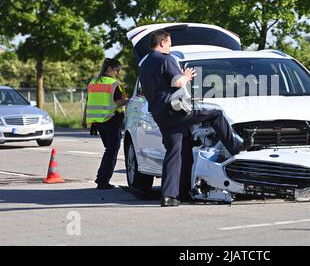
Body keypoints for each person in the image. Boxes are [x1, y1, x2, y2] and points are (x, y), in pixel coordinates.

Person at [139, 30, 253, 207]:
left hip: (159, 114)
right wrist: (186, 76)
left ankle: (169, 196)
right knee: (216, 113)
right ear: (162, 43)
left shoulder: (145, 64)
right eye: (169, 43)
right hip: (175, 111)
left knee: (173, 152)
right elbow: (177, 82)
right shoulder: (166, 59)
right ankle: (235, 145)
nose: (170, 46)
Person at [82, 58, 128, 190]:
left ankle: (102, 179)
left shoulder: (93, 82)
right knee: (112, 150)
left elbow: (88, 102)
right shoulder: (114, 84)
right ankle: (102, 180)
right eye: (117, 70)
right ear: (109, 69)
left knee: (109, 150)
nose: (118, 73)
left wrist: (84, 120)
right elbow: (119, 102)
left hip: (98, 123)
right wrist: (128, 101)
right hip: (112, 120)